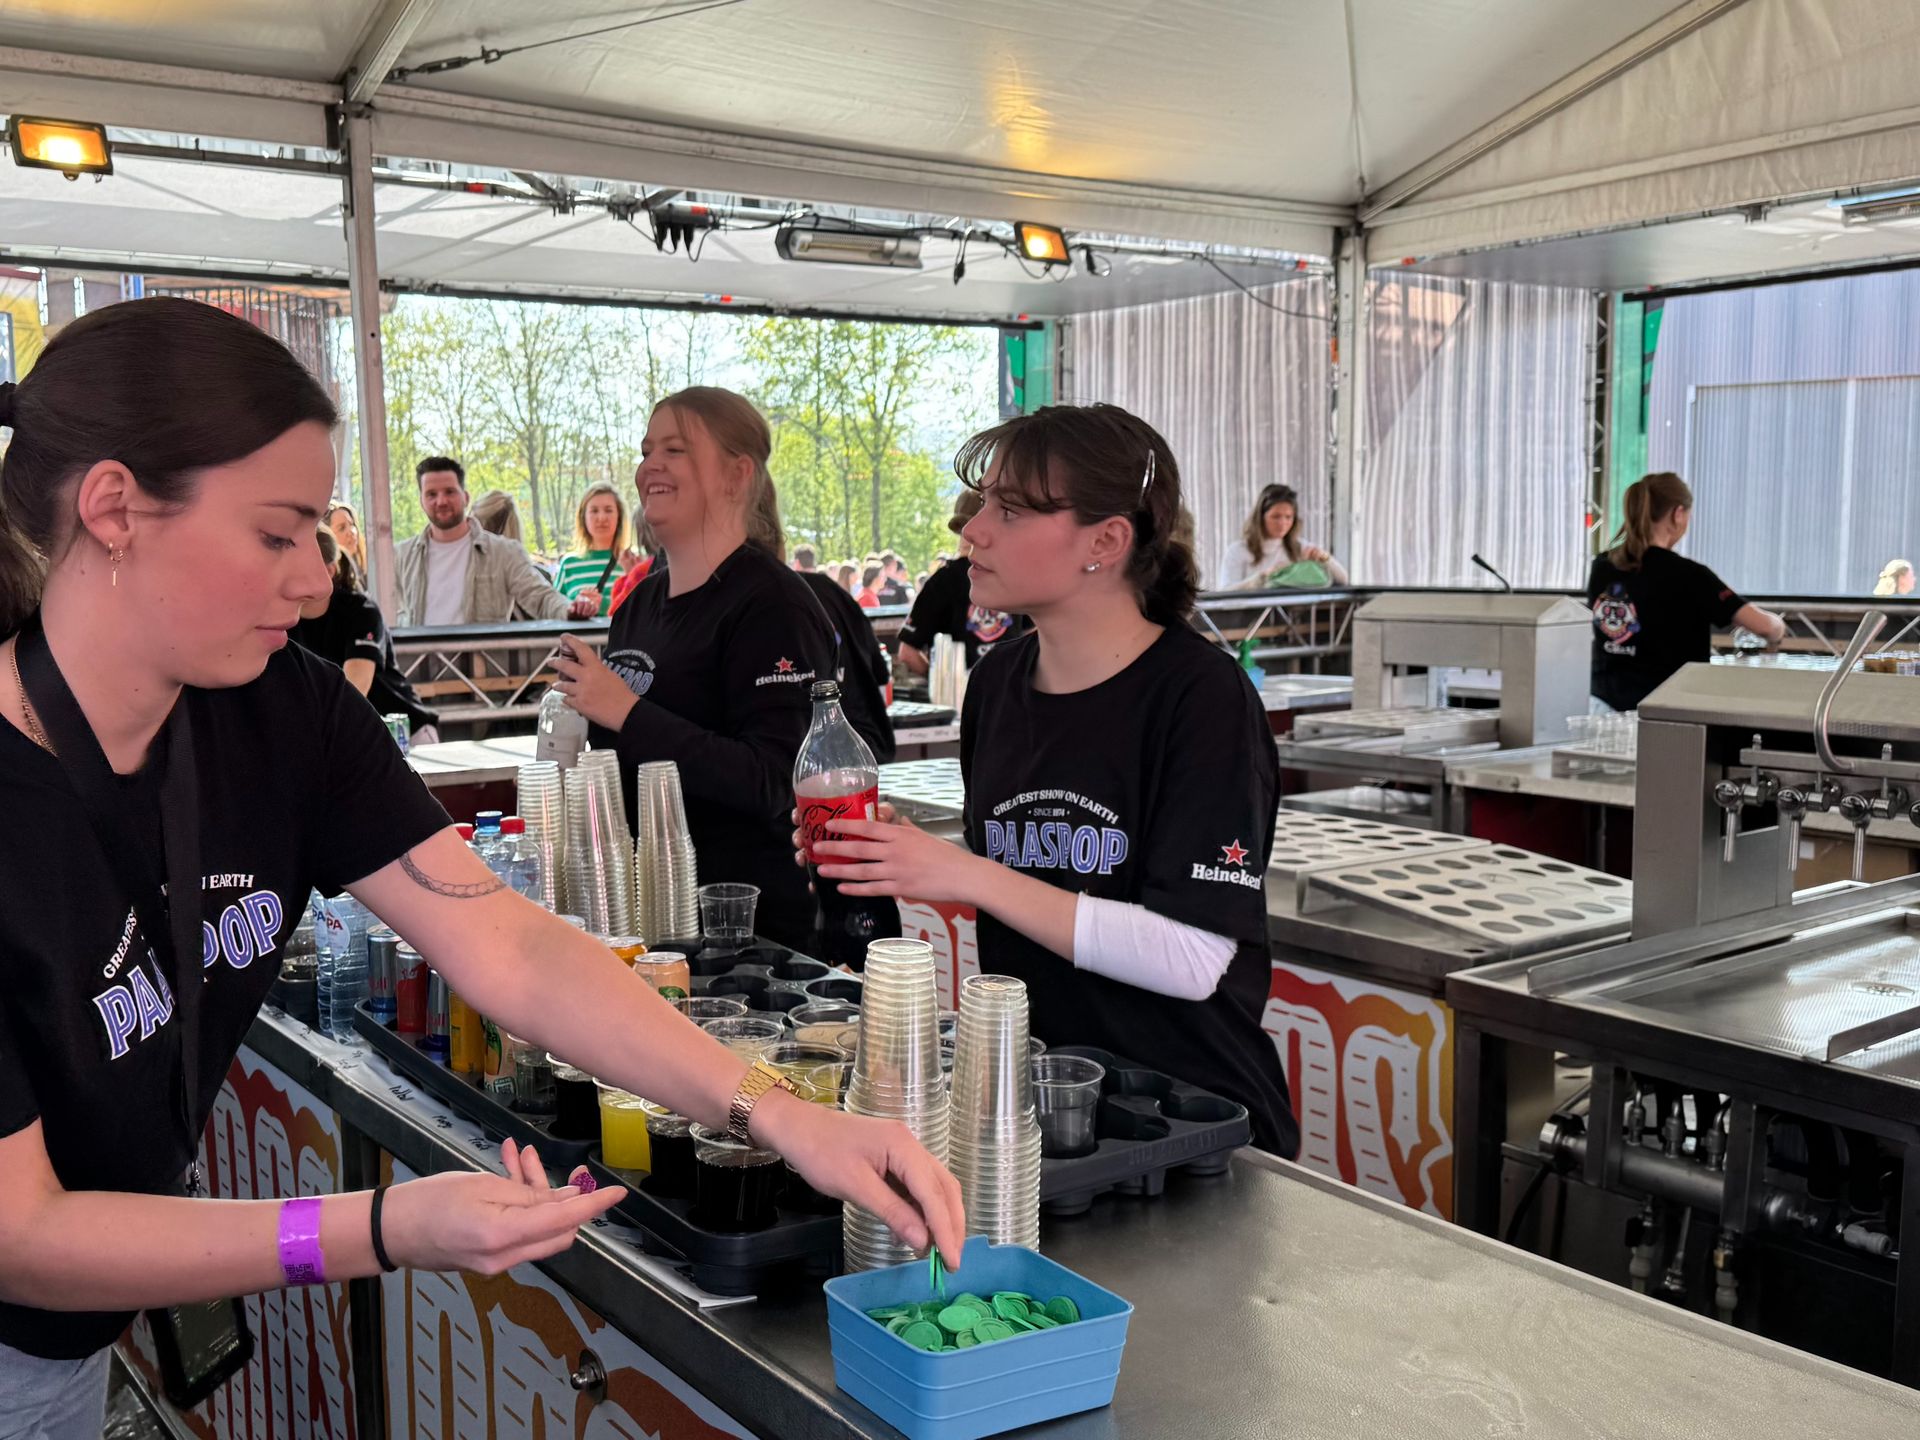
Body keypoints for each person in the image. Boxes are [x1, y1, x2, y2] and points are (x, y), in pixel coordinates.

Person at [0, 301, 961, 1435]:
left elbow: (499, 936)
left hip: (69, 1341)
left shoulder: (283, 714)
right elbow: (26, 1234)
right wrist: (382, 1227)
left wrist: (772, 1109)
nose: (315, 582)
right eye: (277, 534)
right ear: (115, 509)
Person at [809, 403, 1298, 1157]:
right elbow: (1026, 874)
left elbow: (1194, 958)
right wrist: (896, 855)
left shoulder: (1200, 697)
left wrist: (963, 872)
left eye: (1008, 510)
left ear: (1106, 541)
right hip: (1041, 1107)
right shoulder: (997, 682)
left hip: (1193, 1120)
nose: (971, 531)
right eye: (981, 506)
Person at [549, 387, 843, 952]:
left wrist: (625, 711)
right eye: (645, 448)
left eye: (675, 449)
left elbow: (775, 780)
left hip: (751, 939)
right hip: (652, 920)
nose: (649, 465)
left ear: (736, 475)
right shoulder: (639, 605)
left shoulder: (772, 604)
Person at [1587, 472, 1787, 713]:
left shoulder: (1602, 566)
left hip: (1602, 707)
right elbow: (1765, 627)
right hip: (1663, 709)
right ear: (1678, 514)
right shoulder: (1690, 575)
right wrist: (1778, 629)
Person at [752, 486, 896, 765]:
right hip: (863, 745)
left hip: (812, 763)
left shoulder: (752, 602)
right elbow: (880, 673)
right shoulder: (830, 591)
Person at [394, 458, 595, 626]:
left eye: (449, 491)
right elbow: (385, 614)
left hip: (484, 672)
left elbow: (540, 597)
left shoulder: (505, 552)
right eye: (431, 494)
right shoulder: (399, 556)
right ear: (421, 500)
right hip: (419, 671)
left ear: (465, 497)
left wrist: (570, 609)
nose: (441, 501)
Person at [294, 527, 442, 744]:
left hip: (403, 734)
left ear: (330, 570)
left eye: (299, 564)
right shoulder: (279, 620)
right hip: (346, 740)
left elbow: (355, 687)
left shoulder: (361, 611)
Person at [897, 490, 1028, 678]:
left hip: (966, 699)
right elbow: (1034, 635)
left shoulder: (942, 580)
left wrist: (943, 685)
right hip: (1013, 691)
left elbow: (907, 653)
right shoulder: (1016, 572)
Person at [1223, 483, 1347, 590]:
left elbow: (1343, 579)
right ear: (1260, 517)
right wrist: (1262, 578)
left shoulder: (1300, 548)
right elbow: (1225, 591)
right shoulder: (1238, 550)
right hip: (1251, 617)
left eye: (1288, 517)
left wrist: (1325, 559)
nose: (1283, 523)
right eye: (1276, 517)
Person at [554, 483, 634, 619]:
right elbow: (555, 610)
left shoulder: (631, 562)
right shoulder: (569, 564)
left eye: (608, 510)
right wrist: (576, 607)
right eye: (594, 510)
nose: (601, 518)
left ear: (619, 517)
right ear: (583, 517)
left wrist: (603, 604)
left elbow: (641, 611)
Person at [324, 500, 366, 585]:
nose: (351, 532)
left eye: (352, 524)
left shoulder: (367, 572)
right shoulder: (329, 582)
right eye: (342, 528)